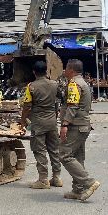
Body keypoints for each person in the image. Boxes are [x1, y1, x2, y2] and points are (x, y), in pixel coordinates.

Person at [60, 59, 101, 201]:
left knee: (64, 155)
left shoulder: (74, 84)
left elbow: (72, 105)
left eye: (66, 68)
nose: (64, 71)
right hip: (83, 125)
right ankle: (78, 189)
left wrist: (65, 124)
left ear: (71, 70)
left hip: (75, 126)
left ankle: (89, 182)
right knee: (77, 157)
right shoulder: (84, 83)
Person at [19, 60, 62, 190]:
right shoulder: (55, 84)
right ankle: (57, 178)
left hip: (38, 122)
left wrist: (23, 121)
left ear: (34, 72)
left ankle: (43, 180)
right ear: (46, 71)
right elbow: (61, 99)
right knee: (54, 150)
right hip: (52, 122)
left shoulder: (31, 87)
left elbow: (27, 106)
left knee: (39, 150)